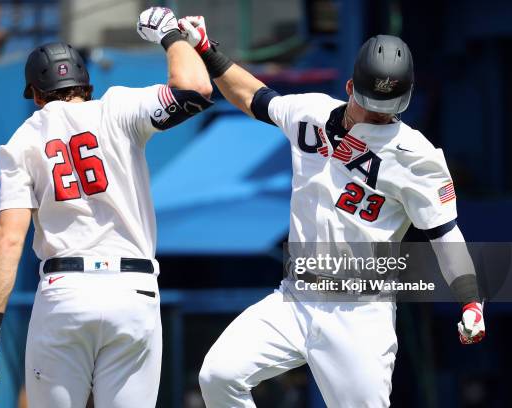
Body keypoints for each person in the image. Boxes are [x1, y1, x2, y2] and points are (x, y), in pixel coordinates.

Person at [178, 17, 485, 407]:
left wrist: (471, 300)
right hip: (295, 297)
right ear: (350, 87)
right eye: (370, 104)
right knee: (219, 375)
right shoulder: (312, 113)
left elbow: (445, 237)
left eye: (387, 108)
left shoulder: (418, 158)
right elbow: (255, 97)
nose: (378, 115)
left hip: (359, 312)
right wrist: (207, 48)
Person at [0, 6, 212, 408]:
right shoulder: (116, 108)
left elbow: (8, 241)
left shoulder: (21, 141)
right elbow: (195, 89)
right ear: (85, 85)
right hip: (134, 291)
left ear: (37, 94)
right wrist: (170, 35)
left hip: (65, 292)